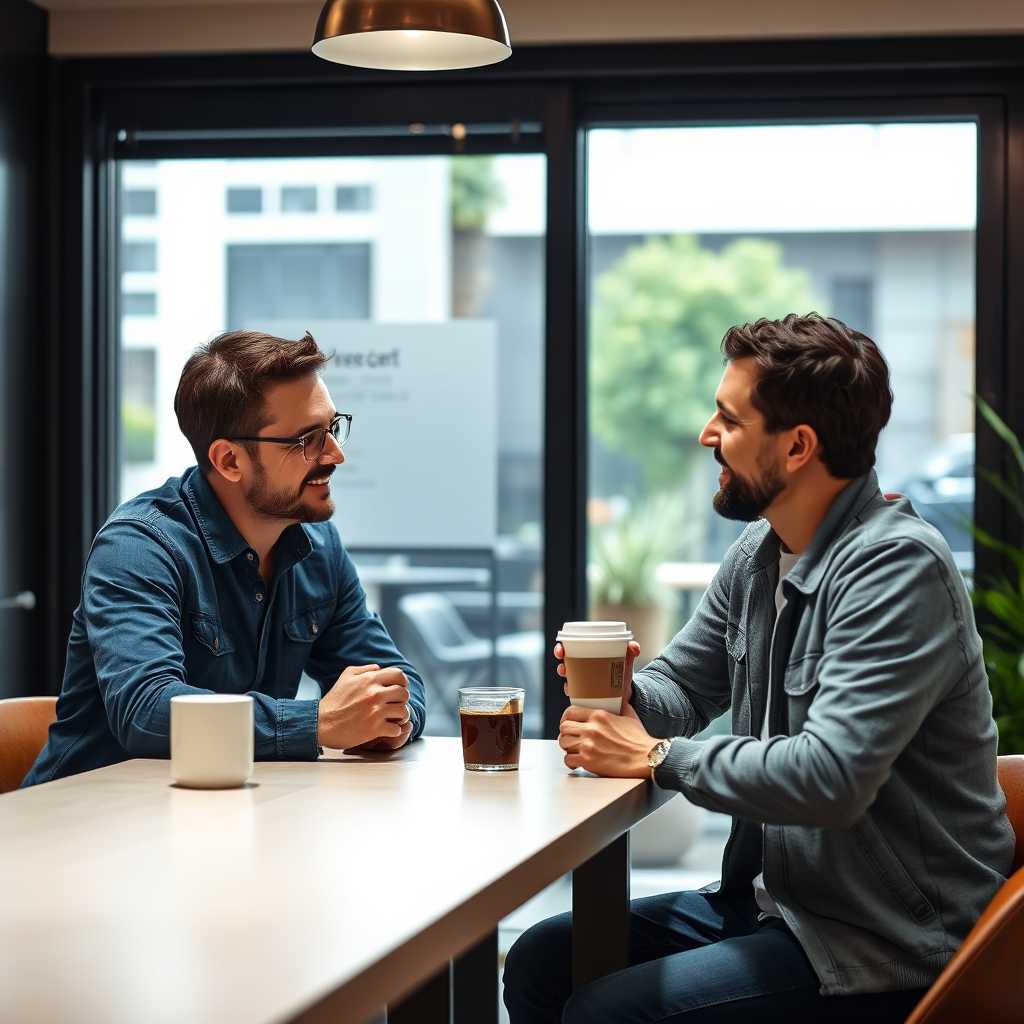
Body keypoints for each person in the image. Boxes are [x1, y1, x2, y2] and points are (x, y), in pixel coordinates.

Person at [503, 313, 1015, 1023]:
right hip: (781, 905)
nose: (707, 435)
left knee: (609, 1012)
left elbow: (830, 779)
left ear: (798, 446)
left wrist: (655, 755)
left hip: (891, 940)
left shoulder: (897, 571)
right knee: (540, 961)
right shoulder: (761, 552)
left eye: (728, 419)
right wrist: (625, 693)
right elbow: (682, 686)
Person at [24, 330, 424, 786]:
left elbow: (399, 680)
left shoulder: (319, 547)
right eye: (308, 439)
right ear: (230, 460)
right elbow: (147, 711)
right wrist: (316, 723)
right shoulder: (139, 546)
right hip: (84, 826)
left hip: (224, 816)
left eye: (333, 428)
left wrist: (390, 718)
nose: (336, 454)